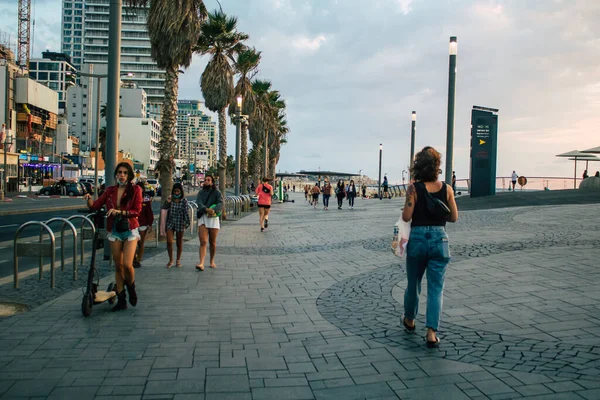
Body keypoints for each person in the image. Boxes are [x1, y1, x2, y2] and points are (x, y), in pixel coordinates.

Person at [401, 147, 459, 347]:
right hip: (439, 239)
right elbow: (453, 217)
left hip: (417, 238)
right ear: (437, 166)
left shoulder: (413, 189)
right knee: (436, 288)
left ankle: (409, 319)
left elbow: (406, 217)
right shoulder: (447, 189)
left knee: (413, 284)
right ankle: (431, 333)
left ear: (418, 166)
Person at [83, 162, 142, 312]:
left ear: (129, 175)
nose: (122, 175)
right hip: (114, 230)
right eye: (119, 172)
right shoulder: (110, 191)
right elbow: (95, 205)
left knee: (128, 265)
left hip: (129, 229)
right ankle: (121, 299)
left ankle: (131, 288)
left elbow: (137, 211)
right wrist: (88, 199)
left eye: (125, 173)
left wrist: (120, 212)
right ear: (116, 174)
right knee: (118, 266)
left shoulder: (136, 190)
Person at [195, 175, 222, 271]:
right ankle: (201, 263)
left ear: (212, 182)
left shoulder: (217, 192)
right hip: (203, 217)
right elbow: (199, 203)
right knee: (203, 241)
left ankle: (211, 260)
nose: (206, 181)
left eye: (208, 180)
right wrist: (206, 210)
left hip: (213, 218)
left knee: (212, 242)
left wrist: (213, 210)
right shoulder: (201, 192)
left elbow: (220, 203)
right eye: (205, 180)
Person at [162, 182, 190, 268]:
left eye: (178, 191)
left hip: (180, 222)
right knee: (169, 241)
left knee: (179, 242)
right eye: (175, 191)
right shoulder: (171, 199)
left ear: (181, 191)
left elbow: (186, 212)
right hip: (170, 222)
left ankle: (178, 260)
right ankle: (171, 260)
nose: (176, 193)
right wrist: (167, 202)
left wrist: (186, 223)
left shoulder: (184, 200)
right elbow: (164, 208)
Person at [134, 180, 154, 269]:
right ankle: (133, 258)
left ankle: (138, 260)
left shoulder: (146, 198)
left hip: (143, 223)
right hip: (133, 223)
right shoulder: (132, 198)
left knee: (141, 243)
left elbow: (149, 212)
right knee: (133, 242)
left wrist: (150, 223)